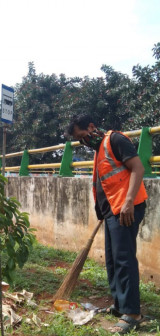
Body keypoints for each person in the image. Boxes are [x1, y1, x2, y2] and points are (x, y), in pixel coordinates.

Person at [66, 115, 148, 334]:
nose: (83, 141)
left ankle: (132, 314)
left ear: (91, 126)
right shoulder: (99, 149)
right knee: (112, 260)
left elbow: (138, 169)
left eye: (82, 136)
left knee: (124, 259)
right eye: (79, 140)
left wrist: (129, 202)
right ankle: (120, 305)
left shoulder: (115, 140)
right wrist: (101, 210)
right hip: (112, 210)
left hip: (126, 209)